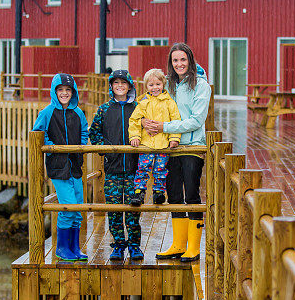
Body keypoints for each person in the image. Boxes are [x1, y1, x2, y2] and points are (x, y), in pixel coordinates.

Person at [143, 43, 211, 262]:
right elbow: (154, 103)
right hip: (169, 147)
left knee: (191, 193)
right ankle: (178, 244)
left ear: (190, 60)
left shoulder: (201, 85)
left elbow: (196, 121)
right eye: (175, 60)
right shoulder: (169, 85)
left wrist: (165, 127)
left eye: (183, 59)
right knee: (173, 194)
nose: (179, 64)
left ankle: (193, 247)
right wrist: (144, 120)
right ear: (170, 63)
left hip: (191, 146)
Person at [32, 73, 89, 262]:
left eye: (68, 90)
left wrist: (79, 149)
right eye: (60, 90)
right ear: (54, 92)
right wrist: (52, 148)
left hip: (75, 165)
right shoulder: (47, 112)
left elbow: (83, 131)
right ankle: (61, 248)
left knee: (78, 206)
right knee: (68, 206)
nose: (64, 93)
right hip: (58, 167)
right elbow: (38, 132)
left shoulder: (78, 113)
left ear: (73, 92)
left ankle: (74, 247)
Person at [89, 70, 142, 261]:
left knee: (133, 209)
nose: (120, 86)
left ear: (130, 86)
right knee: (114, 209)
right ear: (111, 86)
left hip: (135, 170)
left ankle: (135, 245)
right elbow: (94, 133)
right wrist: (104, 148)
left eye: (124, 82)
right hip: (112, 169)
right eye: (116, 83)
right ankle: (118, 245)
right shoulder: (104, 110)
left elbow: (146, 131)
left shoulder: (138, 108)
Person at [128, 68, 181, 207]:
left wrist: (174, 138)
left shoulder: (169, 103)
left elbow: (175, 120)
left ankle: (159, 192)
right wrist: (135, 136)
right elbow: (134, 120)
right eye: (151, 85)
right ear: (146, 86)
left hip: (163, 143)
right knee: (143, 168)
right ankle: (139, 192)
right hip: (146, 144)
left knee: (161, 168)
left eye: (158, 84)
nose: (155, 88)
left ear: (163, 84)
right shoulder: (143, 103)